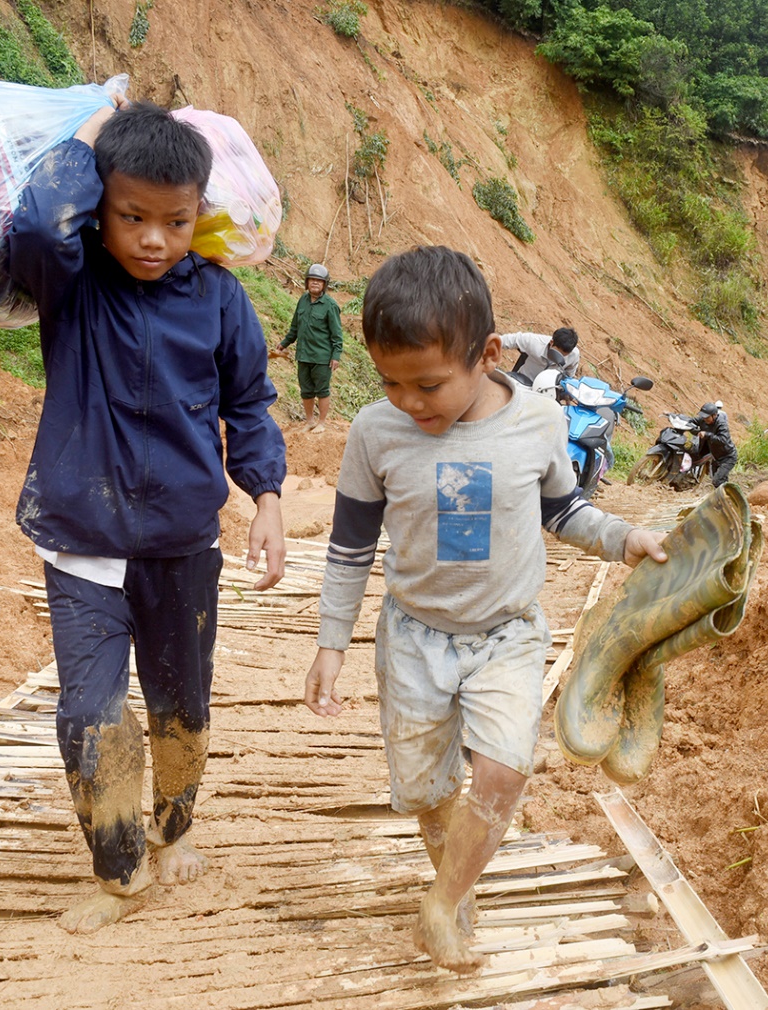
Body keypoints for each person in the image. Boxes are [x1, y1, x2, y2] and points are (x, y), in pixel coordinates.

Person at [300, 246, 668, 972]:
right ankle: (453, 885)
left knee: (502, 772)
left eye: (428, 384)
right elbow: (348, 548)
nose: (409, 401)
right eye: (390, 382)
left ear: (488, 353)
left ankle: (438, 903)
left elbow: (565, 511)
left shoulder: (535, 423)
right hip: (413, 639)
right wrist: (329, 644)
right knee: (428, 792)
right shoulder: (374, 433)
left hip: (506, 635)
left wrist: (624, 538)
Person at [5, 100, 287, 934]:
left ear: (199, 214)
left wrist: (266, 496)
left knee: (180, 708)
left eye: (175, 220)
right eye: (132, 217)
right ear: (101, 207)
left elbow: (251, 404)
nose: (154, 239)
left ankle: (174, 827)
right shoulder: (73, 281)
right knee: (91, 716)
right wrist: (93, 128)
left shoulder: (221, 301)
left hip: (181, 543)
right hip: (80, 543)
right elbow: (33, 226)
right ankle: (119, 865)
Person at [277, 263, 344, 433]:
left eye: (318, 281)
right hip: (303, 355)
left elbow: (336, 334)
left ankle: (321, 423)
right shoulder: (302, 301)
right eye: (312, 280)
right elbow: (295, 328)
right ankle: (310, 421)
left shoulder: (330, 305)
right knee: (306, 390)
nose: (314, 283)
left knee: (322, 390)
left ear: (324, 285)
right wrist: (284, 343)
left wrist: (336, 355)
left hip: (322, 357)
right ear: (307, 282)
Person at [499, 326, 580, 382]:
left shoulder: (574, 355)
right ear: (551, 343)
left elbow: (569, 376)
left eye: (564, 355)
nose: (559, 358)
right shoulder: (534, 342)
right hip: (522, 381)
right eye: (557, 353)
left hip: (546, 391)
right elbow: (508, 340)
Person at [693, 402, 737, 488]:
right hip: (716, 457)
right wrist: (676, 417)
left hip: (728, 457)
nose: (705, 419)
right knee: (719, 482)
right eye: (704, 417)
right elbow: (693, 420)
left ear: (714, 415)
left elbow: (723, 440)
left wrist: (707, 435)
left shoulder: (722, 424)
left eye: (707, 417)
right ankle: (724, 498)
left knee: (717, 480)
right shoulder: (704, 421)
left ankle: (730, 495)